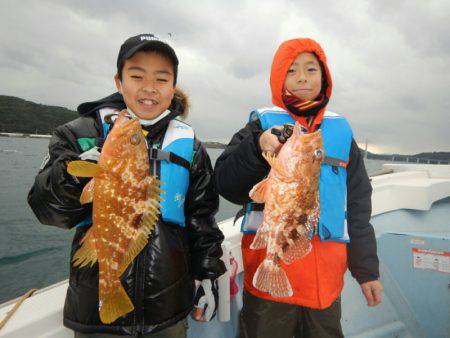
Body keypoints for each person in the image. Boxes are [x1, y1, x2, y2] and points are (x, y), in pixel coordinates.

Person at [28, 34, 226, 337]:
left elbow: (201, 217)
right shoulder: (79, 133)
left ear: (173, 88)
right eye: (136, 75)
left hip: (167, 305)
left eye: (161, 78)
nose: (149, 87)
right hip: (94, 310)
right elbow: (48, 211)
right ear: (119, 81)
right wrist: (74, 174)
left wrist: (208, 275)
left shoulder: (191, 146)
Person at [214, 38, 383, 338]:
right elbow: (226, 183)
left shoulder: (341, 132)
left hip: (326, 284)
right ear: (279, 78)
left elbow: (358, 207)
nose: (303, 77)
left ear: (324, 78)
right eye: (292, 71)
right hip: (269, 285)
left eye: (311, 69)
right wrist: (257, 147)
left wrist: (367, 271)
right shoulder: (262, 125)